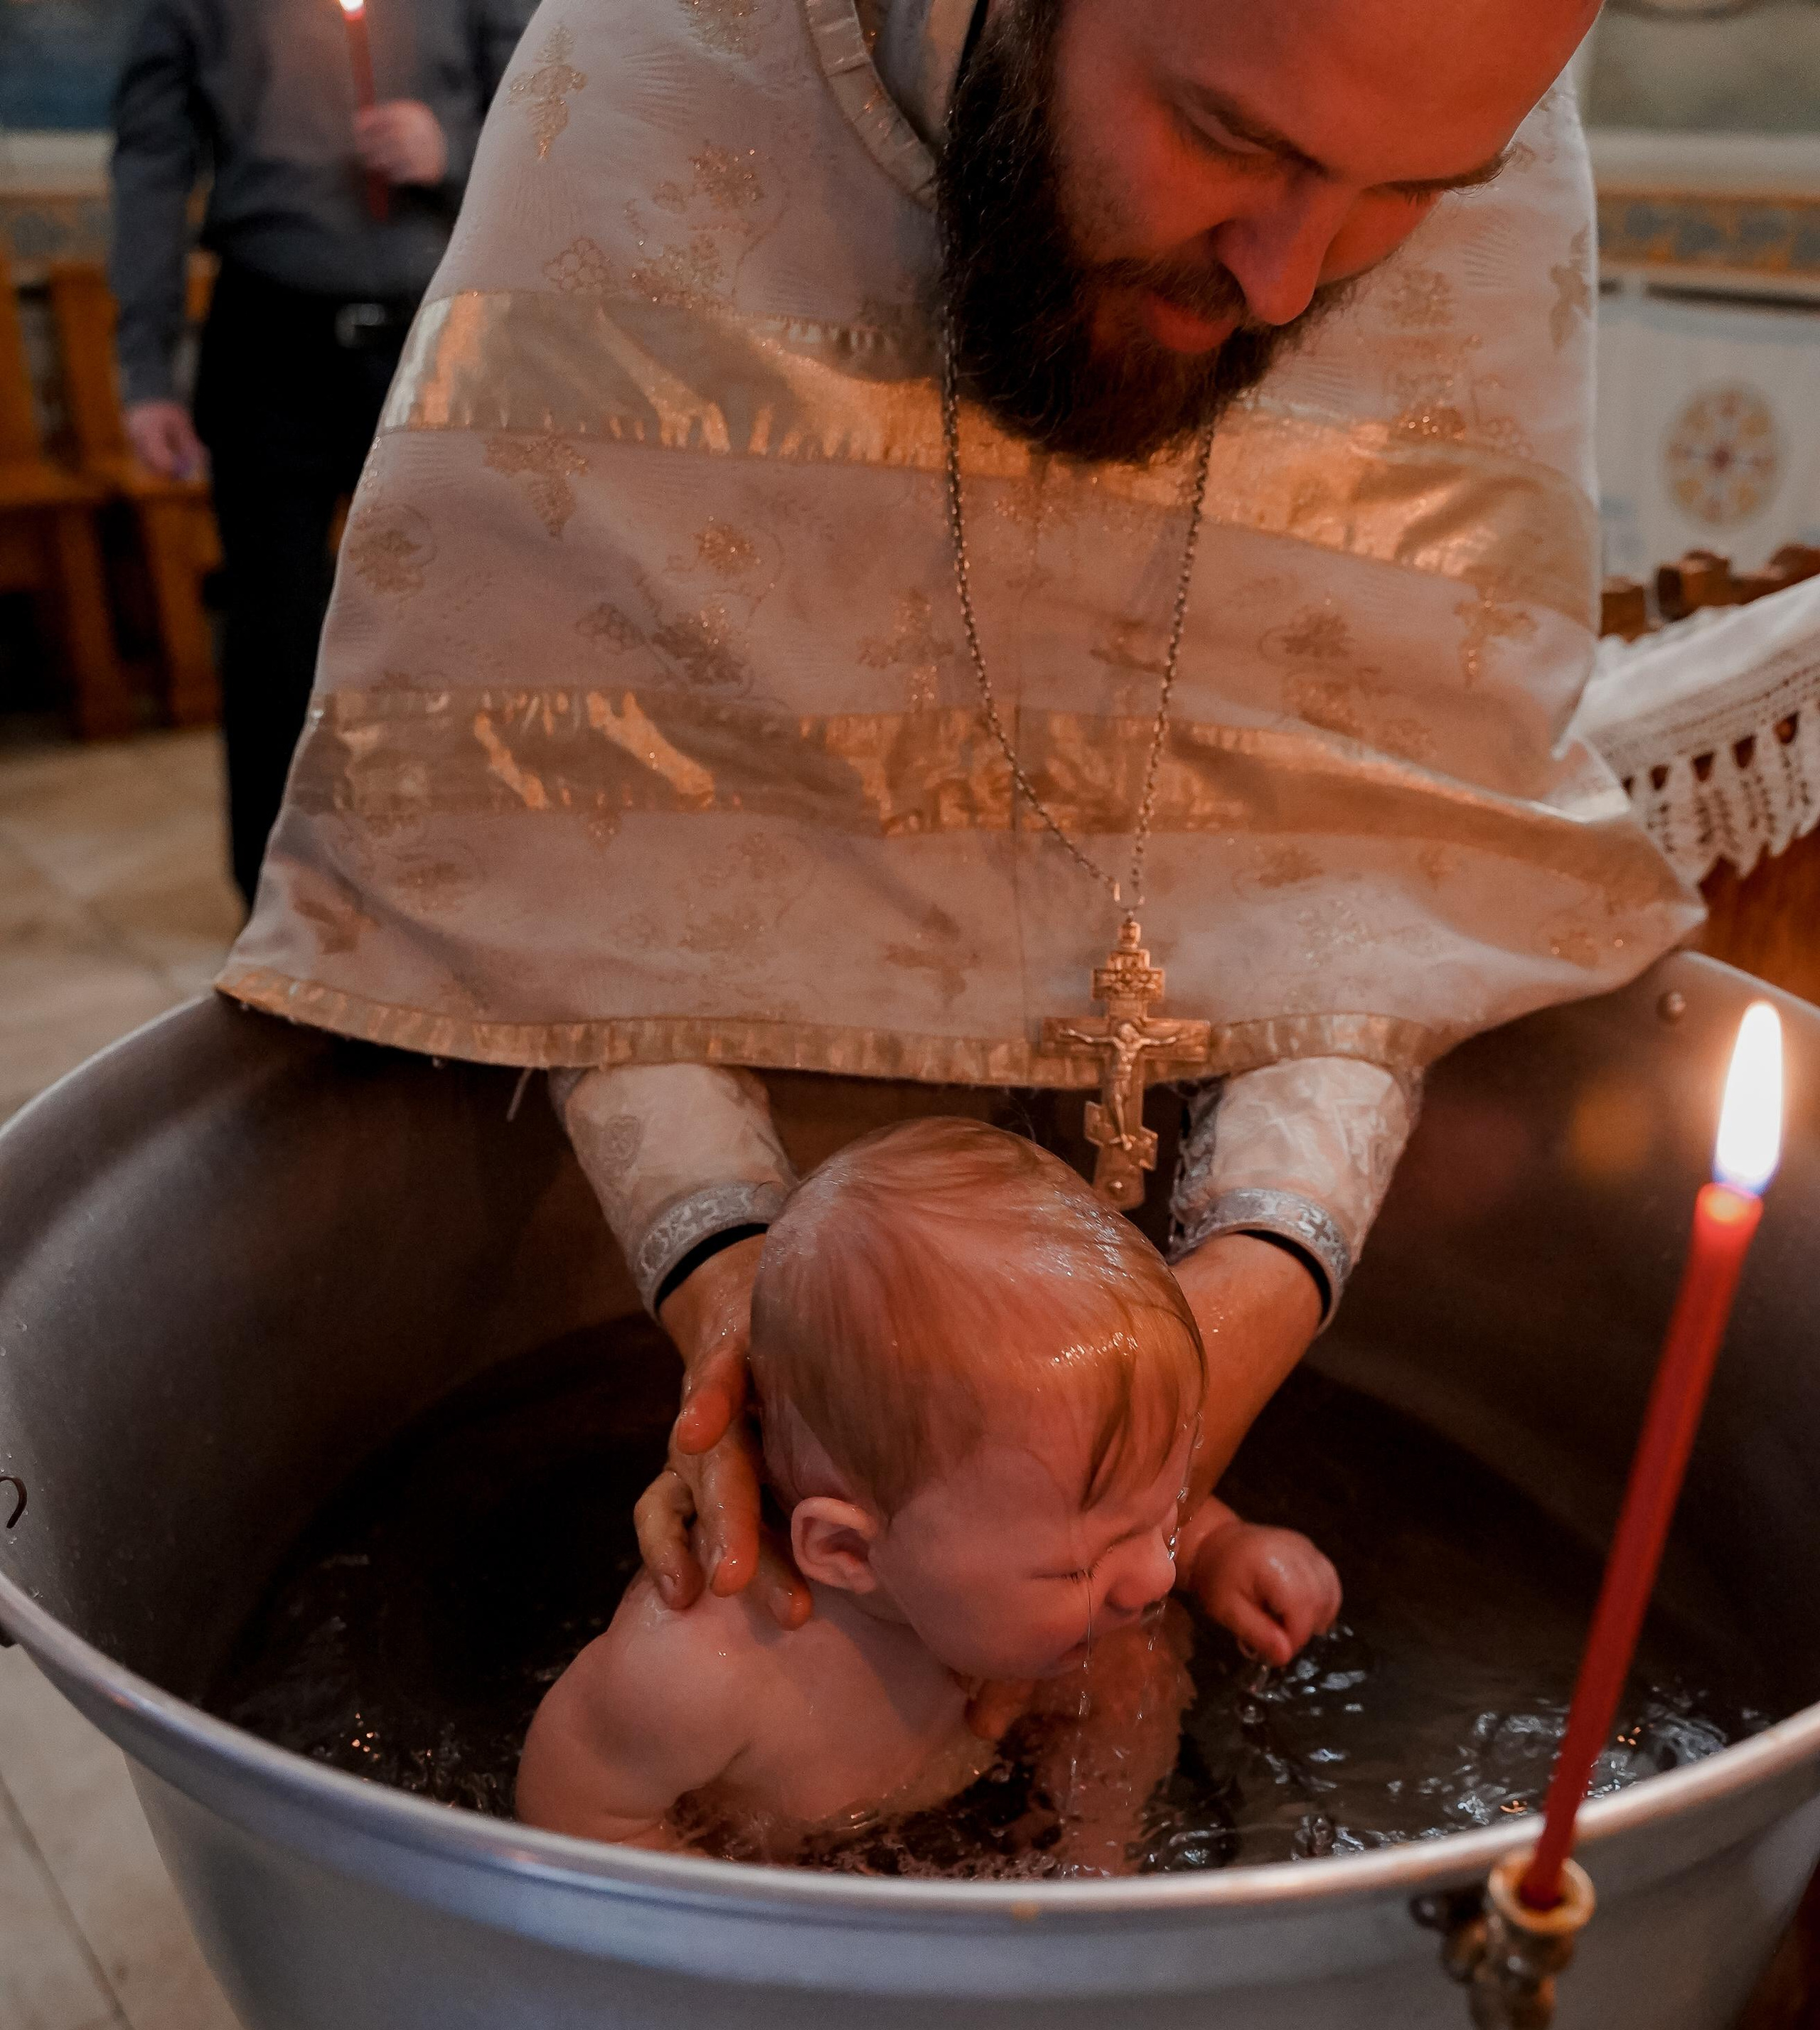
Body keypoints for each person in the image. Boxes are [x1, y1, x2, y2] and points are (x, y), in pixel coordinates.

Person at [218, 0, 1702, 1627]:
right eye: (1227, 140)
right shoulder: (665, 62)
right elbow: (574, 827)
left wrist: (1238, 1314)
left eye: (1411, 187)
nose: (1289, 277)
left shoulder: (1472, 113)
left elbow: (1393, 835)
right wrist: (737, 1301)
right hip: (785, 1167)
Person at [515, 1121, 1340, 1869]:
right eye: (1072, 1568)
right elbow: (580, 1813)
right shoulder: (704, 1670)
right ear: (846, 1551)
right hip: (788, 1864)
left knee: (1131, 1659)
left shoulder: (1031, 1533)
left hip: (991, 1759)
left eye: (1163, 1516)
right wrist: (750, 1933)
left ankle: (1098, 1850)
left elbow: (1122, 1518)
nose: (1152, 1576)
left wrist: (1218, 1548)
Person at [109, 0, 535, 905]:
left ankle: (459, 877)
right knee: (275, 633)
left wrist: (450, 143)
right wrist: (144, 367)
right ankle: (279, 896)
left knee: (462, 620)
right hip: (270, 337)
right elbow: (151, 161)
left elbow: (551, 107)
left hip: (441, 339)